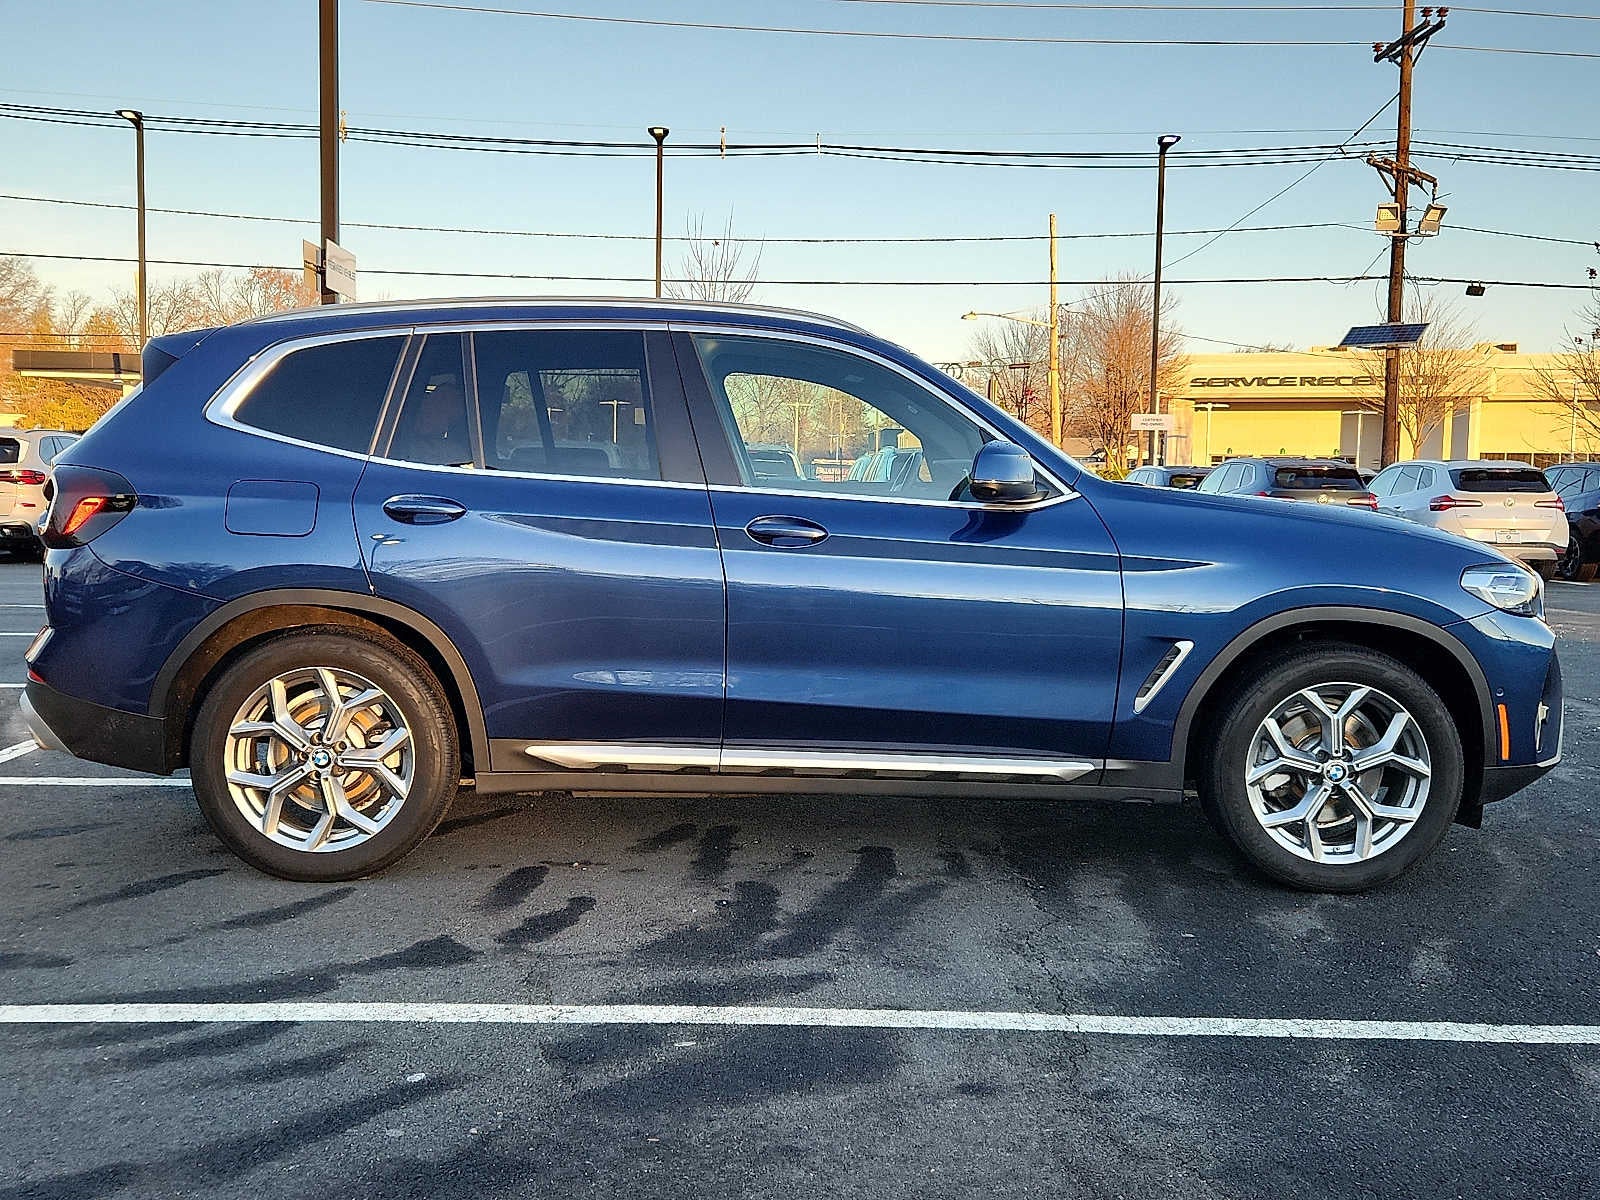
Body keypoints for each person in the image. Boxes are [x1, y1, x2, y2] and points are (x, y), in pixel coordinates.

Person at [400, 379, 470, 465]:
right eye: (428, 400)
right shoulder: (395, 437)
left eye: (438, 406)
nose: (426, 407)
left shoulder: (452, 455)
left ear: (447, 425)